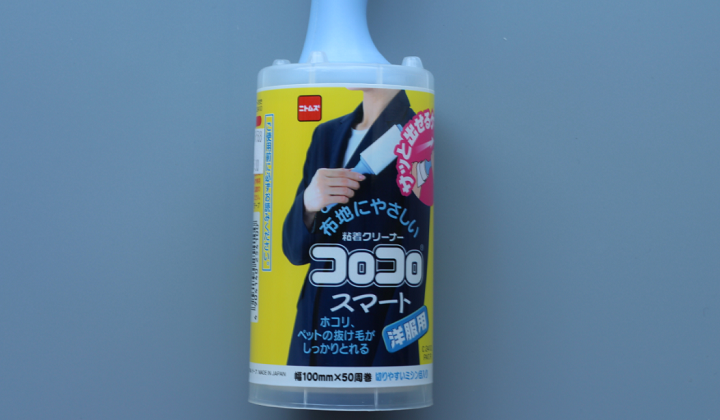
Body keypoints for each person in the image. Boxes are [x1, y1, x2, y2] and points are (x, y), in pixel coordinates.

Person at [283, 89, 431, 367]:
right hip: (311, 336)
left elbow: (415, 258)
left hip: (372, 343)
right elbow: (295, 252)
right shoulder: (326, 134)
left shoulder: (415, 135)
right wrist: (307, 204)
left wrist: (389, 366)